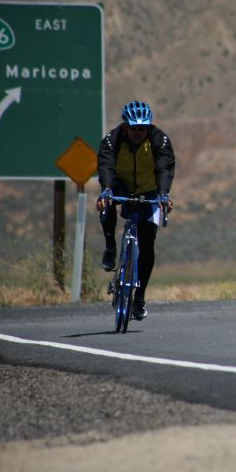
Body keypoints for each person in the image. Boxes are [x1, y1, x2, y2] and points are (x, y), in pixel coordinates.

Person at [96, 100, 175, 321]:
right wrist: (107, 190)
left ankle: (139, 297)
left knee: (148, 244)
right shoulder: (112, 141)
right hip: (120, 185)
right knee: (108, 202)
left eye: (143, 128)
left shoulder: (160, 139)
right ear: (125, 126)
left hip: (150, 191)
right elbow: (106, 166)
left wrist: (163, 194)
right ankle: (110, 247)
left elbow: (164, 167)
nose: (138, 132)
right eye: (134, 128)